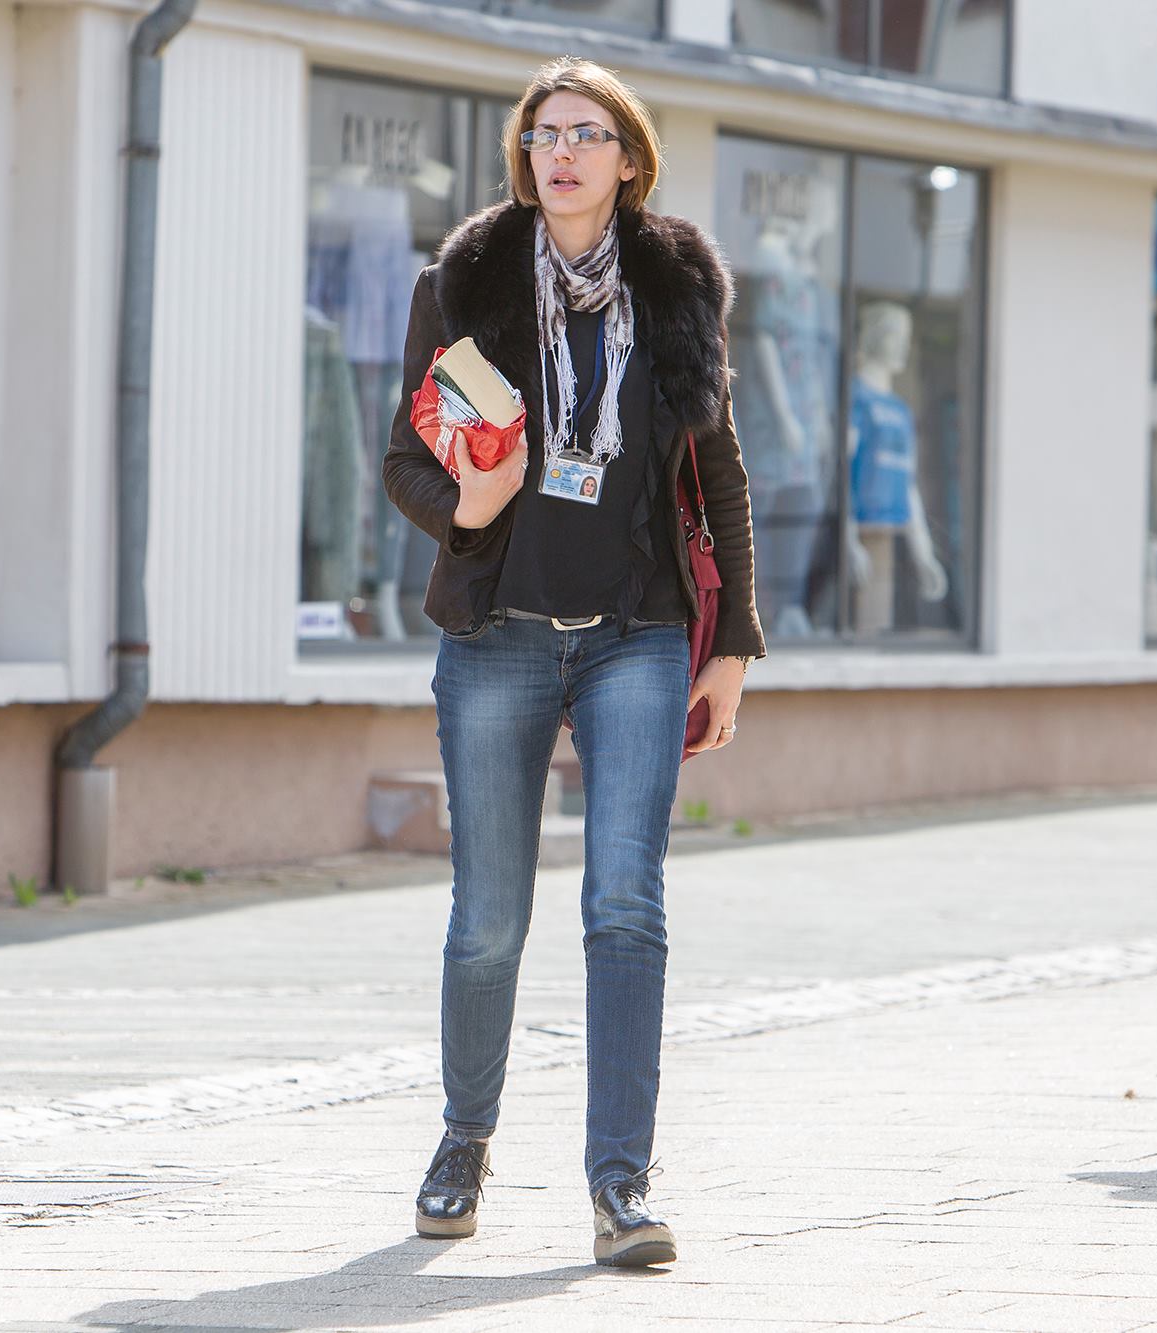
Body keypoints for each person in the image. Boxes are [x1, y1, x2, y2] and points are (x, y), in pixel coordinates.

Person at [382, 57, 765, 1265]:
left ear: (628, 160)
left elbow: (717, 468)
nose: (559, 152)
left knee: (624, 904)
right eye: (542, 133)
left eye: (585, 134)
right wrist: (468, 504)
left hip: (635, 634)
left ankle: (619, 1184)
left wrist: (732, 644)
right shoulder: (463, 280)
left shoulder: (675, 285)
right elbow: (402, 459)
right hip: (496, 631)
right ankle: (463, 1139)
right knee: (490, 917)